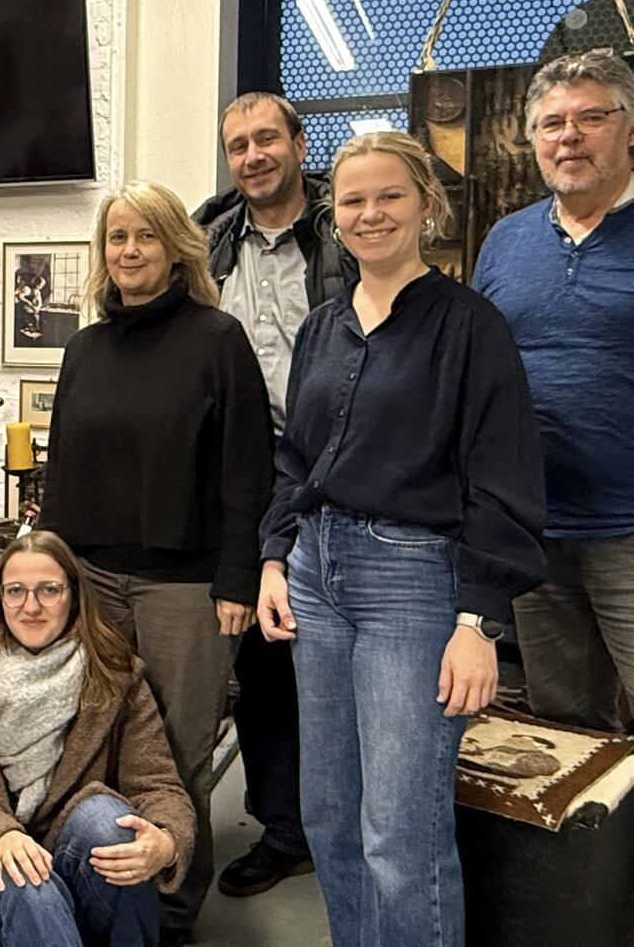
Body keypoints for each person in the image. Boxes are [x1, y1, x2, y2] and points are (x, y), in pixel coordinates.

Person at [256, 131, 546, 947]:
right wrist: (276, 554)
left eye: (389, 195)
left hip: (413, 586)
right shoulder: (321, 328)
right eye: (353, 200)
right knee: (330, 818)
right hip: (316, 574)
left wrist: (476, 620)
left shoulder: (468, 326)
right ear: (333, 215)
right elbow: (295, 458)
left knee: (400, 833)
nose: (370, 213)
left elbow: (502, 476)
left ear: (427, 205)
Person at [38, 181, 274, 944]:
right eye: (117, 238)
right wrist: (46, 571)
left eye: (144, 236)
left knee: (176, 750)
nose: (129, 250)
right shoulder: (84, 347)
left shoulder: (217, 338)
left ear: (176, 246)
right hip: (91, 576)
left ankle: (172, 910)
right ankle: (104, 890)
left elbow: (248, 469)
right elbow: (62, 466)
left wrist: (239, 574)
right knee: (92, 738)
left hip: (187, 582)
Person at [193, 91, 359, 897]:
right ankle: (283, 826)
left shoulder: (340, 233)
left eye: (267, 139)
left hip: (335, 465)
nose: (253, 155)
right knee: (262, 663)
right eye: (237, 145)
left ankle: (347, 827)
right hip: (243, 473)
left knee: (337, 658)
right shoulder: (209, 243)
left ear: (299, 142)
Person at [0, 530, 195, 947]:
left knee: (114, 827)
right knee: (27, 883)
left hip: (77, 860)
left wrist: (166, 842)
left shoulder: (114, 673)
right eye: (16, 591)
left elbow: (158, 784)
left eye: (49, 590)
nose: (31, 607)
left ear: (74, 595)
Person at [472, 48, 634, 732]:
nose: (569, 135)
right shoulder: (505, 241)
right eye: (551, 123)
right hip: (535, 532)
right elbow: (479, 372)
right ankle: (600, 848)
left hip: (629, 530)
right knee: (568, 727)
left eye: (590, 117)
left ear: (629, 128)